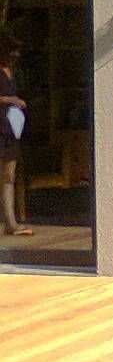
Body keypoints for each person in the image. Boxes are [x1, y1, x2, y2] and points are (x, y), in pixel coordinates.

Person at [0, 37, 33, 237]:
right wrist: (10, 99)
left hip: (11, 127)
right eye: (13, 51)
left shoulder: (14, 72)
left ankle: (11, 223)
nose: (17, 56)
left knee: (9, 175)